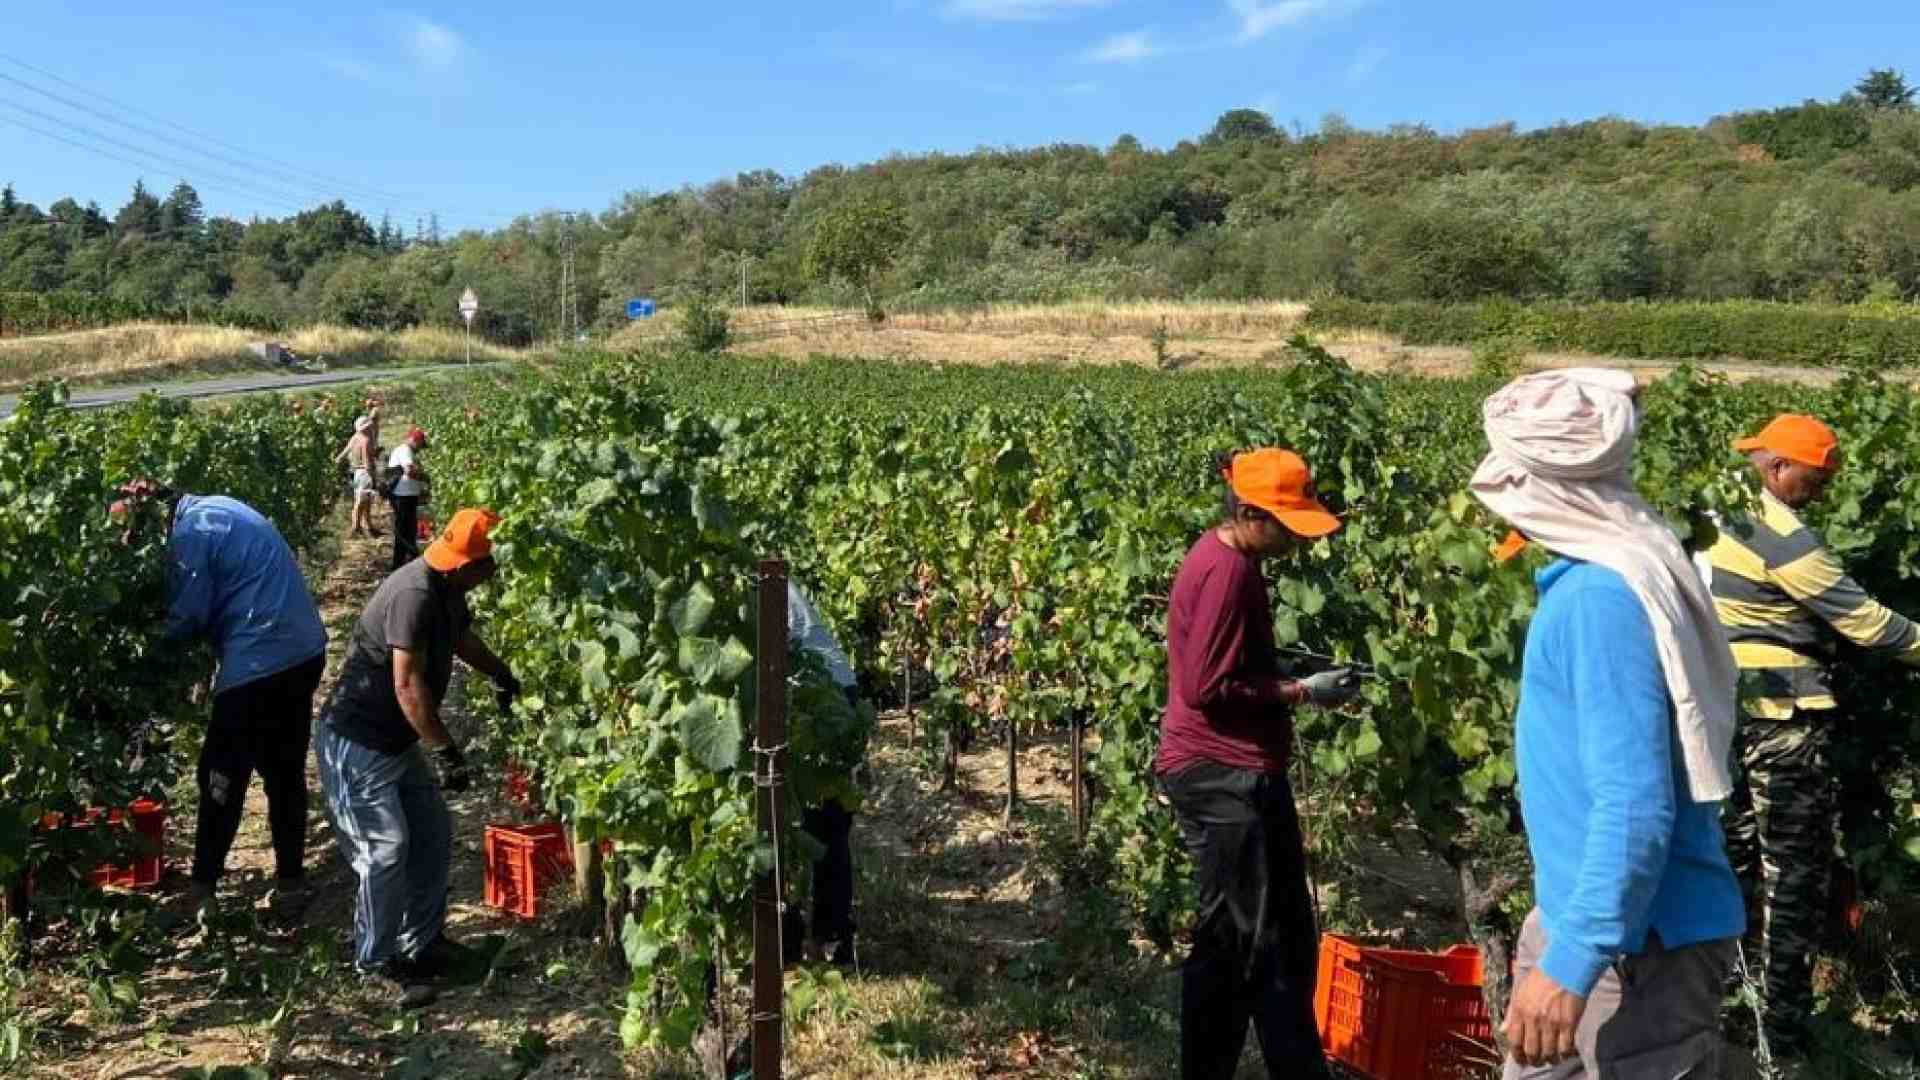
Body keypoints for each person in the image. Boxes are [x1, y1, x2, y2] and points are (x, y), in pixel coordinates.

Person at [1470, 369, 1744, 1077]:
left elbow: (1632, 804)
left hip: (1633, 948)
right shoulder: (1639, 558)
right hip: (1596, 921)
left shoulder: (1600, 598)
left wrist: (1573, 959)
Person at [1707, 414, 1920, 1055]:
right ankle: (1783, 1037)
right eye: (1816, 478)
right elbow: (1869, 624)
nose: (1823, 490)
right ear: (1777, 469)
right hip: (1783, 727)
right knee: (1793, 878)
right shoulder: (1782, 537)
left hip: (1725, 717)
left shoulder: (1716, 512)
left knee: (1735, 866)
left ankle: (1724, 1015)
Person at [1153, 448, 1361, 1080]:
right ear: (1247, 514)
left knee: (1279, 940)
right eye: (1286, 523)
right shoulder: (1228, 572)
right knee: (1242, 946)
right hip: (1220, 775)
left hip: (1236, 773)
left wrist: (1285, 673)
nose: (1296, 539)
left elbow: (1228, 670)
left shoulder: (1230, 560)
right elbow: (1207, 688)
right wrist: (1302, 691)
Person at [315, 508, 521, 1007]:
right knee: (384, 850)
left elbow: (462, 639)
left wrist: (500, 672)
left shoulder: (447, 588)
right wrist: (446, 750)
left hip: (396, 742)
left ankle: (420, 946)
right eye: (490, 564)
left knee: (431, 835)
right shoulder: (414, 594)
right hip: (358, 742)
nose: (494, 572)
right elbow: (406, 685)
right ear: (469, 565)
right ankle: (373, 967)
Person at [113, 482, 329, 921]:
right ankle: (290, 881)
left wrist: (134, 657)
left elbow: (187, 616)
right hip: (303, 651)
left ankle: (203, 889)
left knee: (220, 776)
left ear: (156, 518)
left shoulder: (192, 532)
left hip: (259, 662)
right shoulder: (220, 507)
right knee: (283, 769)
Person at [785, 580, 862, 966]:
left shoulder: (747, 585)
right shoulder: (750, 579)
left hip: (824, 698)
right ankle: (813, 939)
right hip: (818, 694)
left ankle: (829, 941)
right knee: (806, 822)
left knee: (823, 823)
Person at [387, 427, 429, 571]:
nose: (420, 449)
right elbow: (409, 471)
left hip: (407, 496)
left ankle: (407, 563)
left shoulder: (407, 450)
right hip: (402, 496)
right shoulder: (405, 450)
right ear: (415, 440)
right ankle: (399, 565)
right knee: (404, 531)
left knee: (409, 530)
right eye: (420, 444)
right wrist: (426, 478)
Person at [335, 415, 382, 539]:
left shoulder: (355, 437)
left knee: (363, 500)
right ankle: (356, 528)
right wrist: (373, 477)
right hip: (365, 473)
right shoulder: (365, 440)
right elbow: (367, 463)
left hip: (356, 473)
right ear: (366, 428)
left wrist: (336, 460)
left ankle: (366, 526)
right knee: (362, 501)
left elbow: (344, 452)